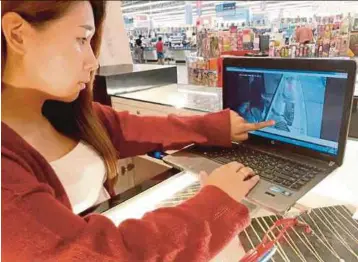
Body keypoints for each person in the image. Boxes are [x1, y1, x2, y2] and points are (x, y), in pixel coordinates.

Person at [1, 1, 275, 261]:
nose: (93, 61)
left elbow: (134, 128)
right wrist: (218, 202)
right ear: (17, 34)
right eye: (81, 39)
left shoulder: (63, 114)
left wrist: (216, 127)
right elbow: (104, 255)